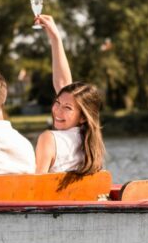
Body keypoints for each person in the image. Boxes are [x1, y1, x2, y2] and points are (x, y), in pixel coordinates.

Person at [33, 15, 105, 176]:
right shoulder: (91, 146)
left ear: (82, 117)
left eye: (67, 108)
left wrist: (56, 38)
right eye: (57, 103)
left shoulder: (49, 139)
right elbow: (64, 85)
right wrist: (55, 39)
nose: (57, 111)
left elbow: (34, 190)